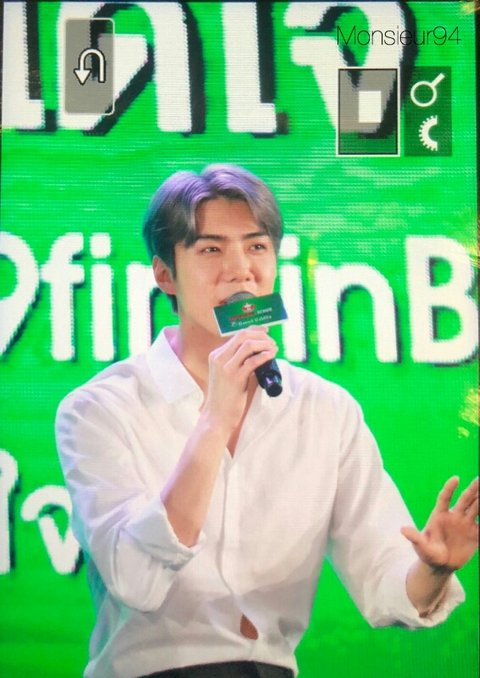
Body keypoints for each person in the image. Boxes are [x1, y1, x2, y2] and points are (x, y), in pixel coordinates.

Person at [56, 164, 478, 678]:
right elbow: (135, 579)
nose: (240, 271)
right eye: (211, 250)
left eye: (256, 247)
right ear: (165, 274)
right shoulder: (99, 409)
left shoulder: (325, 409)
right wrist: (213, 421)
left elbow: (387, 581)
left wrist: (433, 569)